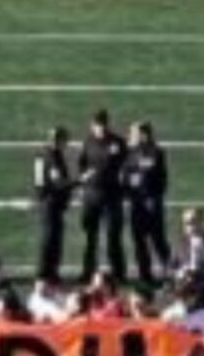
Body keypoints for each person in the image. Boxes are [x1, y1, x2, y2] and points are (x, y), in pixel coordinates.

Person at [77, 109, 128, 282]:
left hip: (112, 196)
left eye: (104, 124)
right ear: (92, 125)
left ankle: (119, 273)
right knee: (90, 236)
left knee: (113, 236)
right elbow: (81, 164)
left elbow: (127, 164)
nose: (101, 128)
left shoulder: (118, 142)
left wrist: (122, 181)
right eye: (98, 125)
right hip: (92, 195)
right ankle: (87, 271)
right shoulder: (88, 142)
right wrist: (84, 177)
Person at [123, 121, 171, 285]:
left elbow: (154, 175)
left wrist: (152, 195)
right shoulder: (130, 152)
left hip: (151, 201)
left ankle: (169, 272)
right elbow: (127, 174)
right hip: (137, 202)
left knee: (157, 239)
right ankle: (145, 274)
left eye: (134, 133)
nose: (131, 136)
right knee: (139, 240)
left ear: (144, 135)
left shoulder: (155, 152)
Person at [34, 127, 74, 283]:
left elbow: (39, 181)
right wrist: (78, 182)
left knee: (52, 238)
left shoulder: (44, 155)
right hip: (51, 203)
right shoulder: (51, 157)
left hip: (48, 202)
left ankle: (48, 271)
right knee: (51, 239)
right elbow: (58, 182)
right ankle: (46, 272)